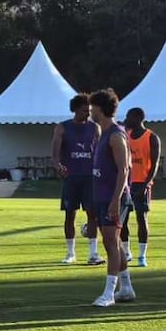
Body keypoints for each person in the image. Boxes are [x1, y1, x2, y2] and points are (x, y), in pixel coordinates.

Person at [87, 89, 135, 307]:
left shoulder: (115, 135)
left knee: (110, 242)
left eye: (92, 107)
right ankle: (126, 288)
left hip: (113, 197)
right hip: (101, 196)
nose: (89, 111)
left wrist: (116, 200)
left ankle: (108, 293)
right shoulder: (101, 133)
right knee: (112, 242)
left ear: (100, 109)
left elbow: (124, 169)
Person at [51, 94, 102, 265]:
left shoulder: (95, 128)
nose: (87, 114)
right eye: (84, 111)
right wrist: (58, 166)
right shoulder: (62, 128)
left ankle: (93, 253)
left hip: (90, 178)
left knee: (92, 215)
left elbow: (100, 153)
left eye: (89, 111)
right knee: (69, 215)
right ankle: (70, 253)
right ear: (74, 109)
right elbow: (55, 153)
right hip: (71, 178)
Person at [119, 107, 160, 267]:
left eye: (129, 117)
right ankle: (126, 252)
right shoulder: (125, 136)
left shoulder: (152, 137)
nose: (126, 119)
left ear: (137, 118)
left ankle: (142, 255)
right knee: (123, 219)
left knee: (141, 218)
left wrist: (146, 183)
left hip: (142, 183)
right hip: (127, 183)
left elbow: (155, 164)